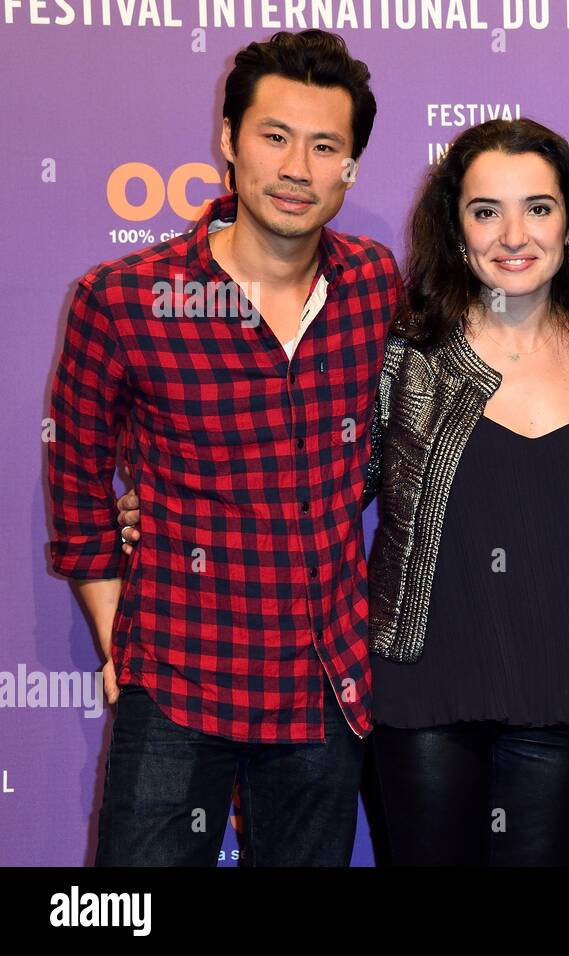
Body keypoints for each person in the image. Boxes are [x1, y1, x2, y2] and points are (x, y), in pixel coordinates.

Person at [51, 30, 400, 866]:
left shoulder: (375, 286)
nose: (297, 169)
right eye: (274, 137)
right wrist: (117, 641)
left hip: (325, 684)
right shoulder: (126, 299)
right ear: (229, 142)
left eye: (326, 147)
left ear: (350, 166)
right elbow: (75, 489)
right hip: (176, 678)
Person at [360, 118, 569, 866]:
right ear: (456, 231)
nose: (513, 234)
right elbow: (314, 489)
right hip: (421, 692)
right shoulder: (406, 356)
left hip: (558, 698)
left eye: (539, 208)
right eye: (486, 210)